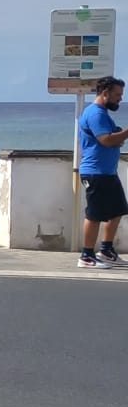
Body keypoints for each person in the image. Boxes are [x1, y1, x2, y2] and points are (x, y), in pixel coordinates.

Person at [77, 76, 128, 268]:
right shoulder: (96, 114)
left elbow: (113, 138)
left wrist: (119, 135)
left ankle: (106, 250)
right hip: (95, 172)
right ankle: (86, 255)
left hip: (107, 172)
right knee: (95, 214)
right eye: (117, 95)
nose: (120, 99)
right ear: (105, 93)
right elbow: (106, 140)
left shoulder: (103, 114)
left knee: (117, 210)